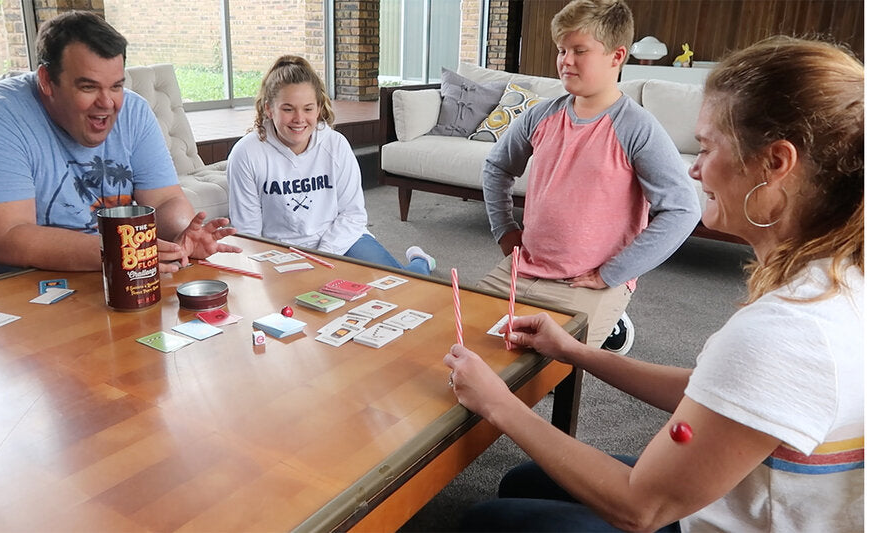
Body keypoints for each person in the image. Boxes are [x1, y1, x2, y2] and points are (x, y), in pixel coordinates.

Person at [445, 35, 863, 531]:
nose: (694, 167)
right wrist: (576, 350)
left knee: (487, 520)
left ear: (775, 164)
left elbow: (643, 509)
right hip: (724, 489)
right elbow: (720, 391)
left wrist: (498, 402)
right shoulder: (841, 278)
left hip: (691, 515)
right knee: (524, 481)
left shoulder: (787, 332)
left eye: (707, 148)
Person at [0, 11, 240, 283]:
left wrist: (181, 235)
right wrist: (124, 250)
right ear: (47, 82)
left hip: (106, 266)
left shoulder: (134, 110)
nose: (107, 104)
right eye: (88, 87)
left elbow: (166, 200)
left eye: (116, 86)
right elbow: (8, 239)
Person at [477, 0, 701, 354]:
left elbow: (683, 209)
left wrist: (613, 274)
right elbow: (496, 166)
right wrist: (504, 229)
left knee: (541, 372)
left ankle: (612, 324)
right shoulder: (540, 116)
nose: (566, 60)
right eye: (562, 50)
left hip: (591, 281)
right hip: (527, 265)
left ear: (616, 56)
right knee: (466, 345)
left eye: (579, 50)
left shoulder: (637, 128)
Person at [227, 55, 436, 275]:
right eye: (288, 109)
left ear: (318, 108)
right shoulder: (246, 154)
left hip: (341, 241)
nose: (299, 118)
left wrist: (323, 255)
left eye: (308, 109)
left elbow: (353, 215)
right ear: (269, 109)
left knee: (403, 286)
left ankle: (420, 261)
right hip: (280, 251)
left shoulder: (335, 145)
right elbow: (247, 232)